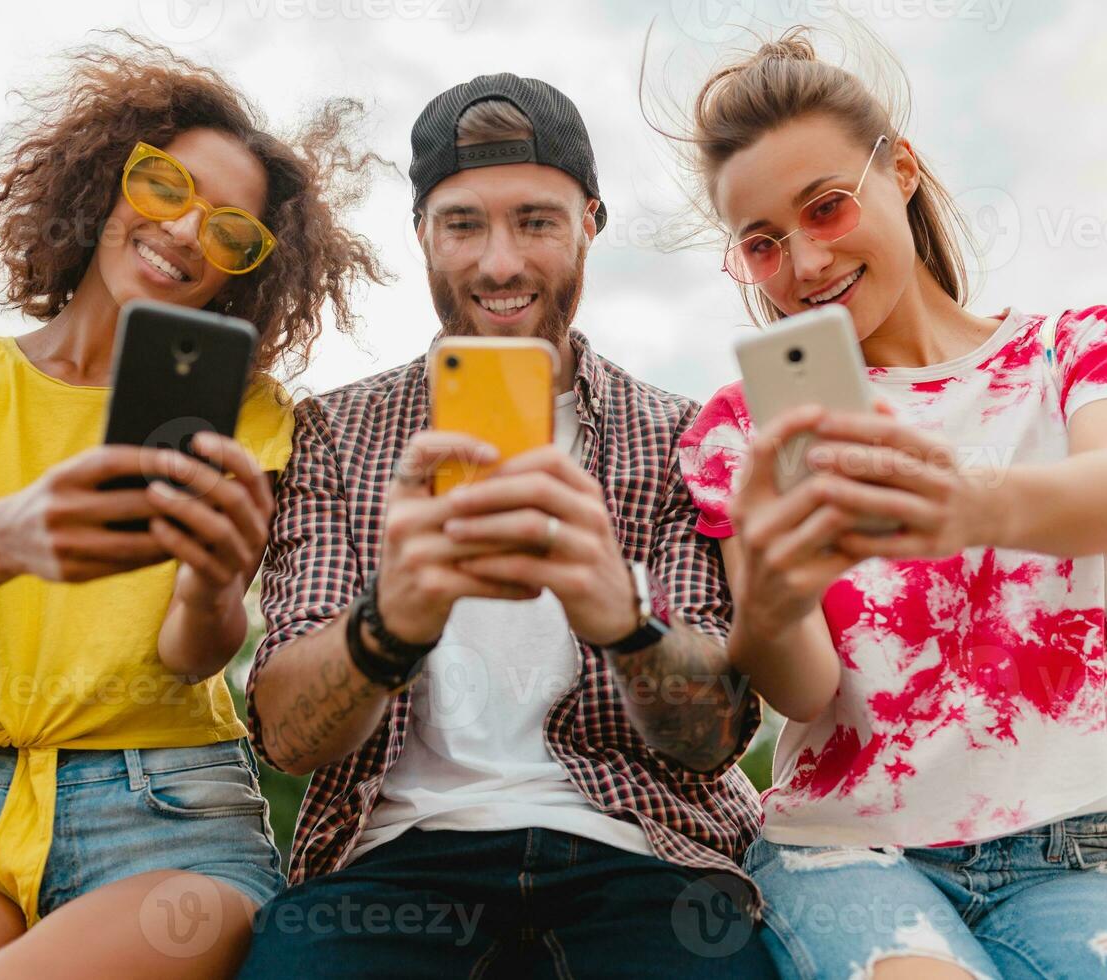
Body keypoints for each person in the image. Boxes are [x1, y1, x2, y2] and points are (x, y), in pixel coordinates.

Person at [0, 34, 382, 979]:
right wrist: (18, 532)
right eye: (165, 188)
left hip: (170, 823)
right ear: (104, 182)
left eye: (231, 232)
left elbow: (196, 653)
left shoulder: (249, 412)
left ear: (246, 273)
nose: (186, 233)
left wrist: (212, 587)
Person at [673, 26, 1107, 980]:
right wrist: (771, 590)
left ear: (900, 170)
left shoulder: (1079, 347)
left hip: (1074, 858)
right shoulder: (746, 429)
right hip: (844, 852)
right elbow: (806, 692)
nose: (805, 266)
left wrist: (959, 506)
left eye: (826, 208)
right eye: (763, 245)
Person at [239, 74, 772, 977]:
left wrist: (622, 620)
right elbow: (292, 739)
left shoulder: (683, 435)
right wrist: (392, 619)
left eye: (536, 220)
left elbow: (713, 738)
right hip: (394, 864)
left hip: (645, 855)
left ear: (589, 225)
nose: (498, 264)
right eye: (462, 224)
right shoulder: (333, 432)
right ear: (421, 236)